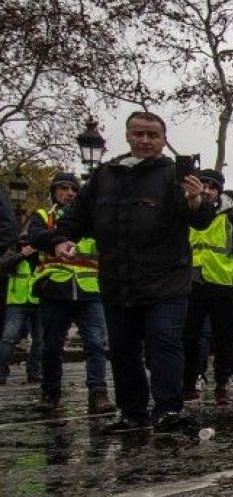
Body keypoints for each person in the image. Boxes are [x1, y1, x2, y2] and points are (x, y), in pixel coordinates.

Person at [32, 111, 218, 433]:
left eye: (152, 135)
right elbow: (75, 218)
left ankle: (168, 410)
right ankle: (132, 412)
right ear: (128, 136)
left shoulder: (175, 176)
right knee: (122, 348)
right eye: (139, 134)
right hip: (119, 279)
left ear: (163, 140)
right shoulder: (104, 176)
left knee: (164, 341)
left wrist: (195, 201)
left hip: (166, 280)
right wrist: (61, 240)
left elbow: (200, 220)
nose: (145, 141)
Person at [23, 173, 112, 414]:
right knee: (52, 345)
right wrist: (59, 239)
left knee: (96, 343)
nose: (70, 194)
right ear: (54, 192)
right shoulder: (43, 216)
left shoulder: (92, 218)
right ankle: (51, 393)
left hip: (88, 289)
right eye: (64, 189)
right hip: (55, 288)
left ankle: (98, 393)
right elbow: (35, 238)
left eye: (74, 190)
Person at [180, 170, 233, 406]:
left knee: (226, 337)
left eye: (213, 187)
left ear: (219, 191)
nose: (208, 190)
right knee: (190, 336)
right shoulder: (186, 212)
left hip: (224, 285)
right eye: (204, 185)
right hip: (193, 284)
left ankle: (224, 380)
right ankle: (190, 380)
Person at [0, 194, 34, 388]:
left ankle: (35, 372)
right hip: (18, 299)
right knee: (9, 338)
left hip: (35, 299)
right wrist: (21, 255)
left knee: (39, 340)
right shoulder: (16, 250)